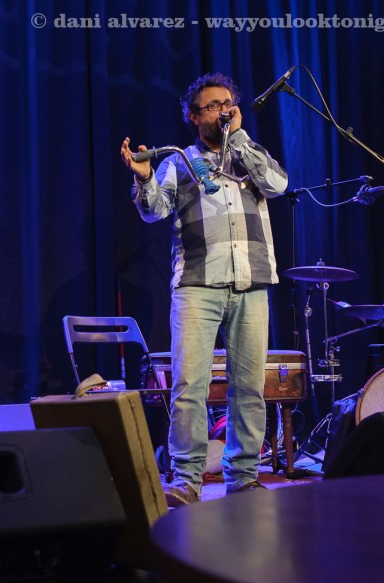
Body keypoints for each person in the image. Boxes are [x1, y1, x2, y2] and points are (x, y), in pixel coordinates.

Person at [120, 73, 288, 506]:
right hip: (197, 285)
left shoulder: (249, 155)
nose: (224, 110)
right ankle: (187, 479)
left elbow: (278, 185)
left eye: (229, 103)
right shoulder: (180, 161)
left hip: (251, 281)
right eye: (214, 105)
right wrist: (144, 179)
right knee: (189, 386)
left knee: (248, 387)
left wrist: (240, 140)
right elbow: (154, 211)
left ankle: (244, 476)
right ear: (194, 117)